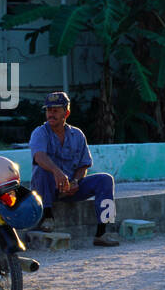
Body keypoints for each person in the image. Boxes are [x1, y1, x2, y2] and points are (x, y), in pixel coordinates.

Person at [29, 91, 119, 247]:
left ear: (67, 112)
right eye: (48, 110)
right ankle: (47, 216)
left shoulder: (77, 135)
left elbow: (84, 165)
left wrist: (76, 181)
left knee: (106, 180)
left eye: (56, 110)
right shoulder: (40, 132)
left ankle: (102, 232)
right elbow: (39, 156)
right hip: (47, 189)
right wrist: (57, 173)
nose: (51, 114)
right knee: (42, 169)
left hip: (71, 188)